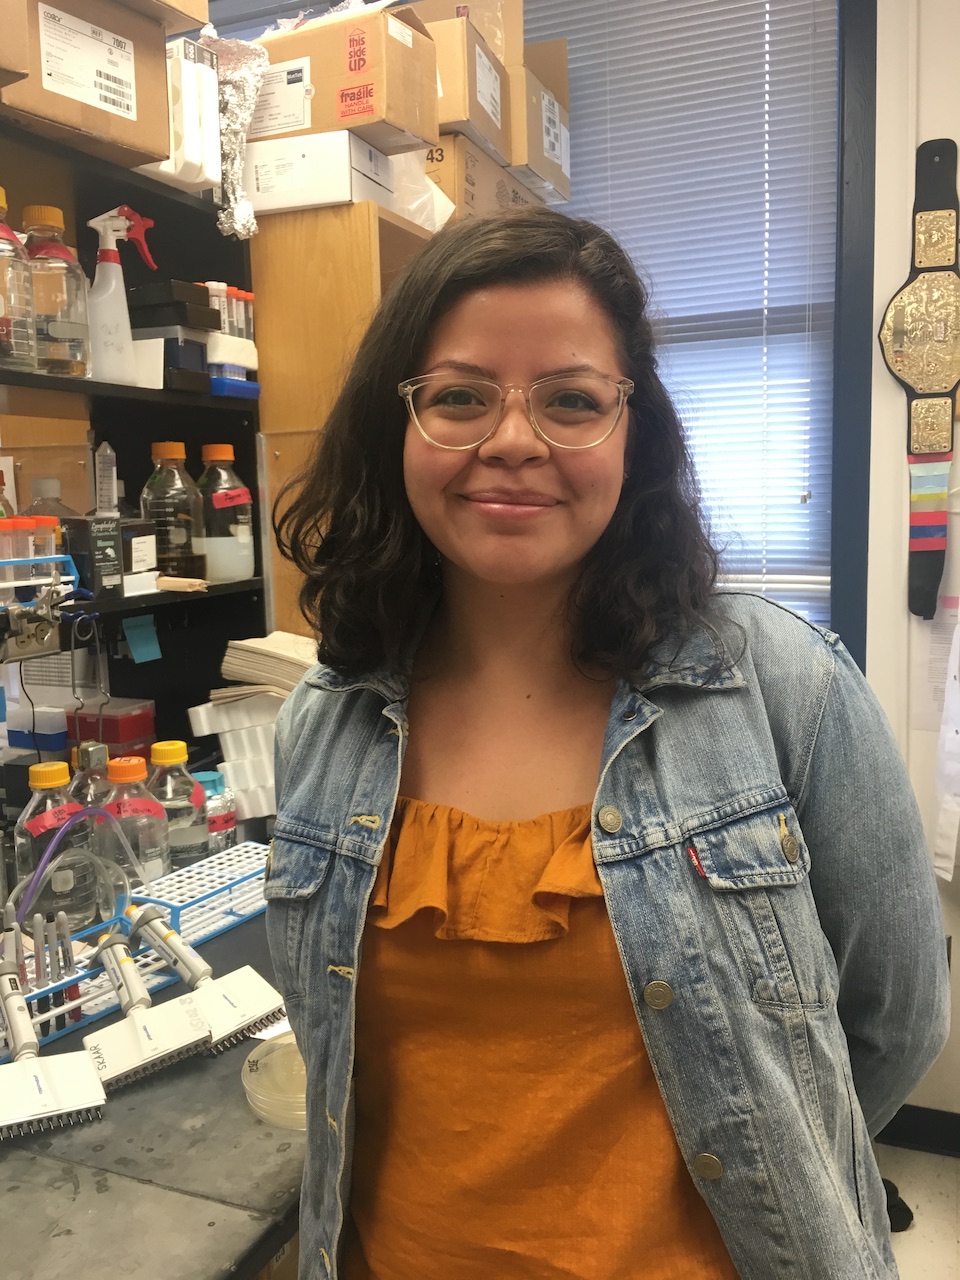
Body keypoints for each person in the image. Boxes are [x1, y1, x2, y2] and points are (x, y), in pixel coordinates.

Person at [268, 205, 949, 1280]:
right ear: (394, 426)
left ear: (636, 434)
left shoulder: (787, 686)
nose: (512, 439)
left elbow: (894, 1022)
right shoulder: (327, 716)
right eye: (459, 396)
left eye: (572, 400)